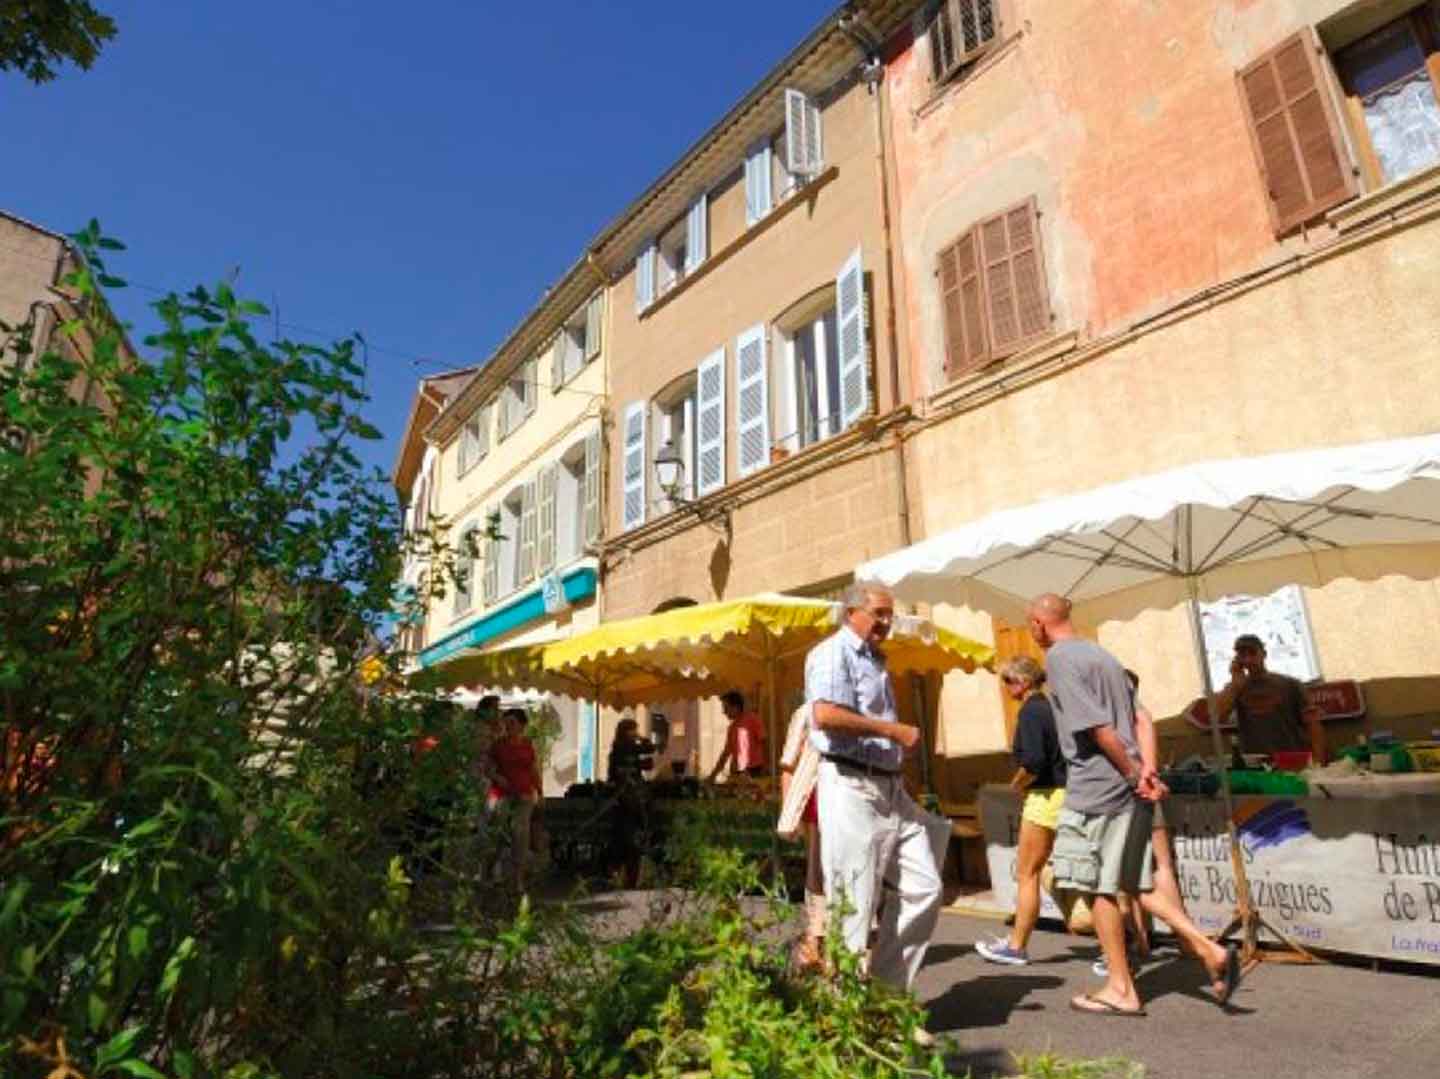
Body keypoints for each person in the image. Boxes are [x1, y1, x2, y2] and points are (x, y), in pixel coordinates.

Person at [1029, 593, 1238, 1017]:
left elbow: (1099, 728)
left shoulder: (1060, 660)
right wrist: (1147, 771)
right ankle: (1207, 948)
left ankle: (1121, 988)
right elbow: (1144, 720)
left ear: (1038, 624)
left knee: (1099, 887)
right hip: (1126, 786)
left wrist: (1131, 771)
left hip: (1097, 789)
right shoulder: (1104, 657)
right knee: (1131, 882)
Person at [806, 580, 950, 1008]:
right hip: (851, 784)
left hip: (887, 785)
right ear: (852, 612)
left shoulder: (874, 659)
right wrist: (891, 730)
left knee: (924, 887)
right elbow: (824, 713)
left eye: (889, 614)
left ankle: (886, 997)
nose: (887, 622)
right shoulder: (833, 653)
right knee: (855, 900)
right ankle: (847, 1011)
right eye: (879, 614)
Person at [976, 656, 1066, 966]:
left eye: (1008, 681)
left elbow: (1033, 762)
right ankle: (1124, 945)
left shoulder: (1030, 711)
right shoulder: (1054, 706)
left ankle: (1016, 946)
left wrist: (1015, 785)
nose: (1006, 688)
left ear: (1023, 682)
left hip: (1044, 797)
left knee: (1027, 873)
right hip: (1068, 793)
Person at [777, 701, 825, 970]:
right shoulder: (805, 712)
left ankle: (831, 942)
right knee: (818, 873)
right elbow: (788, 763)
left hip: (852, 805)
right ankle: (814, 940)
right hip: (817, 804)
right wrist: (789, 812)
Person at [1212, 634, 1313, 756]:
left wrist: (1318, 760)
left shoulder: (1290, 684)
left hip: (1292, 757)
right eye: (1243, 655)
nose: (1248, 660)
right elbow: (1217, 718)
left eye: (1253, 653)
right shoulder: (1236, 688)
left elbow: (1313, 724)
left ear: (1264, 654)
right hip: (1256, 764)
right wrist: (1235, 683)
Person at [490, 707, 541, 891]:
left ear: (522, 725)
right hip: (502, 794)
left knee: (520, 834)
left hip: (524, 794)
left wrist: (539, 791)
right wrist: (497, 778)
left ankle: (518, 879)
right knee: (499, 831)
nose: (508, 726)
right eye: (506, 723)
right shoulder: (498, 745)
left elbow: (534, 769)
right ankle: (494, 870)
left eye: (512, 723)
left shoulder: (528, 745)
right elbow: (488, 768)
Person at [606, 717, 651, 888]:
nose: (635, 733)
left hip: (631, 797)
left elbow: (647, 754)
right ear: (625, 731)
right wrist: (642, 739)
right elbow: (650, 748)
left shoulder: (627, 748)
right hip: (625, 798)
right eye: (633, 729)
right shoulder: (622, 747)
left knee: (628, 837)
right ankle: (623, 874)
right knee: (626, 837)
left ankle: (627, 875)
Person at [707, 690, 768, 781]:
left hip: (755, 771)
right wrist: (713, 775)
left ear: (736, 707)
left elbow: (764, 743)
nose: (724, 712)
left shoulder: (753, 720)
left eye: (726, 708)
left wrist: (765, 766)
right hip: (738, 773)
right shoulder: (732, 728)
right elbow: (726, 753)